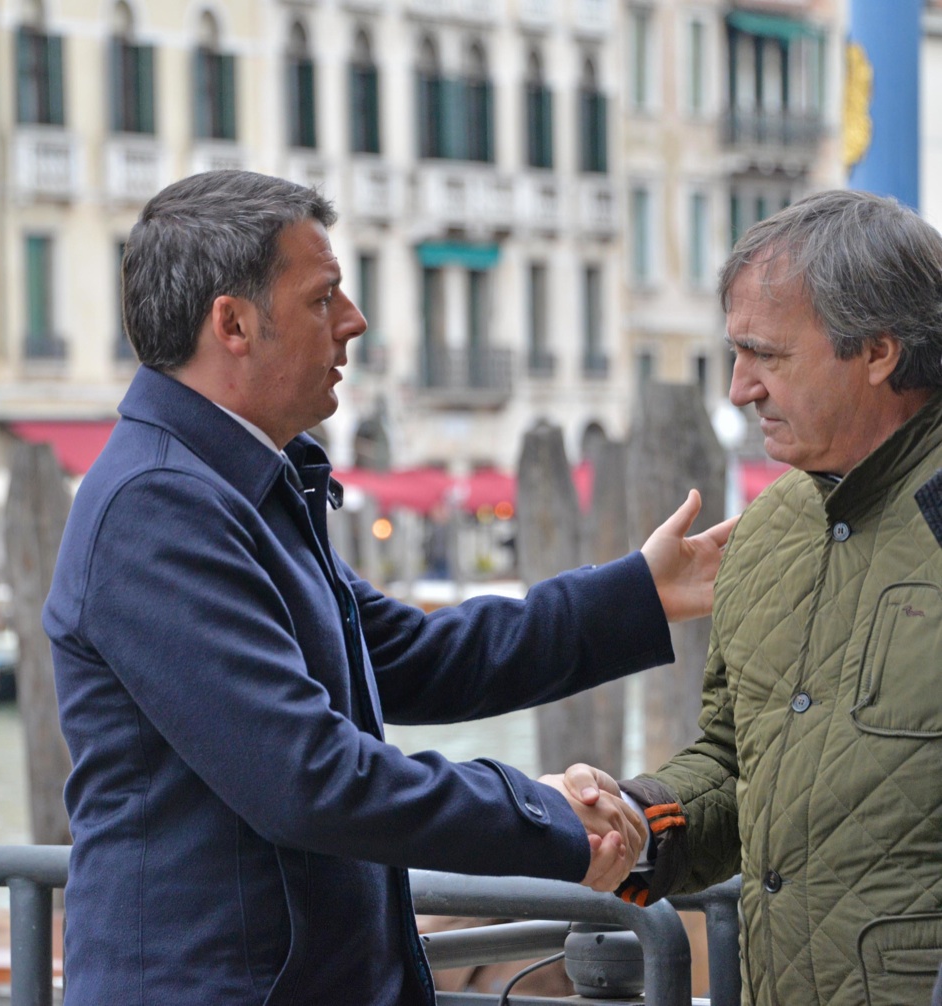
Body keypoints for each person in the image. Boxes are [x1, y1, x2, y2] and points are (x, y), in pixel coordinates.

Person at [43, 169, 735, 1005]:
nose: (354, 322)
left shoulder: (239, 491)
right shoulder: (156, 507)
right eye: (322, 298)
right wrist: (545, 812)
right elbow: (308, 779)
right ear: (231, 323)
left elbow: (416, 656)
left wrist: (639, 595)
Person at [599, 190, 942, 1005]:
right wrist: (633, 823)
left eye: (767, 356)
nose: (737, 389)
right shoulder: (765, 531)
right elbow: (732, 759)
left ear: (880, 352)